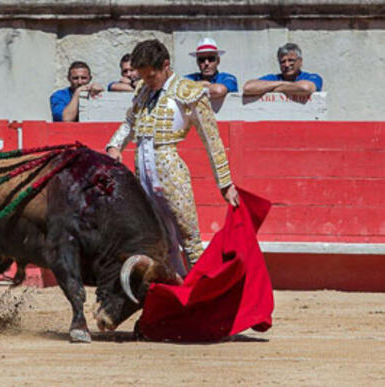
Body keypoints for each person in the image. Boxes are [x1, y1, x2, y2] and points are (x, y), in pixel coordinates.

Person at [106, 39, 239, 268]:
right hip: (143, 173)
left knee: (189, 240)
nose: (147, 81)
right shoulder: (144, 89)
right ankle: (174, 292)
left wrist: (225, 183)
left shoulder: (189, 91)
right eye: (143, 76)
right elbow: (130, 121)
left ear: (166, 65)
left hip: (170, 171)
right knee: (157, 240)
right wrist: (114, 146)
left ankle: (200, 294)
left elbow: (212, 140)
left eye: (151, 76)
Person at [243, 43, 323, 96]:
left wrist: (272, 89)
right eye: (283, 61)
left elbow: (305, 88)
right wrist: (284, 84)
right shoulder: (274, 78)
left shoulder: (312, 77)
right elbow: (248, 87)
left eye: (291, 60)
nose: (287, 65)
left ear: (300, 62)